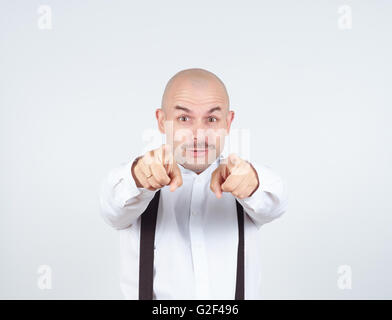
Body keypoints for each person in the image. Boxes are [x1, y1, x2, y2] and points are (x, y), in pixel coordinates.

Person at [99, 68, 288, 299]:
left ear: (228, 123)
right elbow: (112, 207)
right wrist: (140, 177)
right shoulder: (133, 181)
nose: (199, 134)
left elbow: (276, 200)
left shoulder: (244, 179)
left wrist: (253, 184)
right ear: (161, 121)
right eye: (184, 118)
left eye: (211, 119)